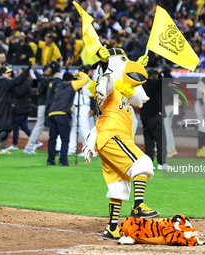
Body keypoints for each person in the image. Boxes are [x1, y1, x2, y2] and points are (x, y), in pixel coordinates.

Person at [82, 47, 159, 240]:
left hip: (111, 138)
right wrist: (107, 66)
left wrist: (138, 68)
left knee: (119, 185)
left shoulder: (121, 90)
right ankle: (138, 205)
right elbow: (105, 86)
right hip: (112, 135)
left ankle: (112, 228)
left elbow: (141, 100)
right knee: (143, 163)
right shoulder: (105, 85)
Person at [46, 69, 90, 166]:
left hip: (51, 114)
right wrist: (79, 73)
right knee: (65, 139)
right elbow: (86, 79)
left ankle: (50, 161)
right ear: (71, 80)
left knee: (52, 139)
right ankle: (63, 161)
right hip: (62, 114)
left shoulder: (58, 86)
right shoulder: (72, 85)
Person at [0, 66, 31, 154]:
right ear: (3, 74)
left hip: (2, 107)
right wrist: (27, 70)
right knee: (7, 128)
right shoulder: (4, 82)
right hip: (4, 107)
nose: (10, 74)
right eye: (7, 72)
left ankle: (3, 148)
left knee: (4, 127)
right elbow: (18, 80)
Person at [140, 69, 167, 169]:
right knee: (160, 140)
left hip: (144, 115)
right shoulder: (155, 83)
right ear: (155, 76)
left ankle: (149, 163)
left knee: (149, 140)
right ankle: (161, 163)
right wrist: (164, 71)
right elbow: (168, 79)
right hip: (155, 115)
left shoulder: (142, 84)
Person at [68, 65, 96, 155]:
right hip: (76, 107)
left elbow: (93, 98)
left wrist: (93, 109)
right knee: (74, 129)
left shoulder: (90, 82)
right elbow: (72, 77)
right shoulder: (76, 81)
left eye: (81, 73)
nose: (79, 74)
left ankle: (90, 150)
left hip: (84, 107)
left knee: (85, 129)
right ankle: (71, 149)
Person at [23, 64, 51, 154]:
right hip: (43, 105)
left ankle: (30, 147)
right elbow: (44, 81)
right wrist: (35, 71)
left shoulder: (45, 78)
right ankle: (29, 147)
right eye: (50, 69)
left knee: (47, 126)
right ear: (45, 70)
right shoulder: (43, 78)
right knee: (40, 126)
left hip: (46, 105)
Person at [7, 68, 33, 150]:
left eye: (21, 73)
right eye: (18, 73)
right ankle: (36, 142)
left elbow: (19, 93)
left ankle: (14, 145)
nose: (19, 75)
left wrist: (14, 85)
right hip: (21, 108)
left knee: (15, 126)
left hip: (23, 109)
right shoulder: (23, 83)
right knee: (24, 128)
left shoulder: (26, 83)